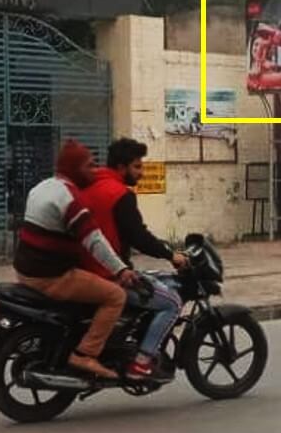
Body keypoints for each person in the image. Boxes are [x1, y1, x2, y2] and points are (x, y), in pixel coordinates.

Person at [13, 140, 137, 380]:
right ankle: (86, 354)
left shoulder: (42, 187)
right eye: (89, 166)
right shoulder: (69, 198)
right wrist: (121, 270)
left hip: (25, 270)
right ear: (74, 169)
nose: (94, 170)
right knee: (115, 296)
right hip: (52, 276)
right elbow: (94, 240)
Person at [80, 138, 189, 381]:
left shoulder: (89, 185)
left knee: (155, 281)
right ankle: (141, 363)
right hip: (108, 274)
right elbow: (138, 237)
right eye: (137, 167)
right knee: (171, 302)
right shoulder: (120, 194)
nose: (141, 173)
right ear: (121, 167)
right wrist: (171, 255)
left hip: (83, 270)